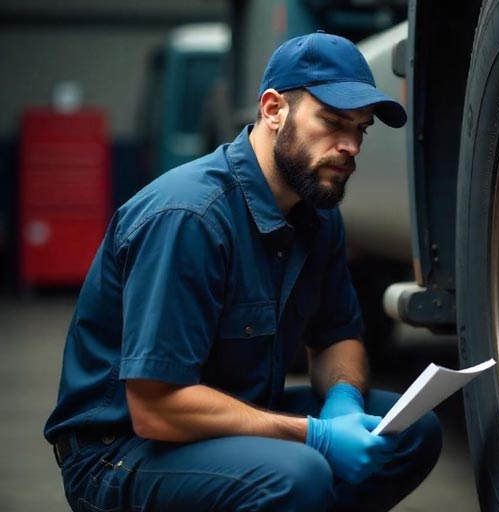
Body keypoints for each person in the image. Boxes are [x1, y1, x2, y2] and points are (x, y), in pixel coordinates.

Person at [44, 31, 442, 511]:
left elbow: (338, 336)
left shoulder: (318, 215)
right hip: (121, 452)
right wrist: (315, 436)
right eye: (333, 122)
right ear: (273, 110)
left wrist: (344, 401)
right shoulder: (190, 218)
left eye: (361, 129)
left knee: (410, 431)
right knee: (299, 475)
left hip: (231, 421)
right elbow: (155, 408)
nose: (351, 145)